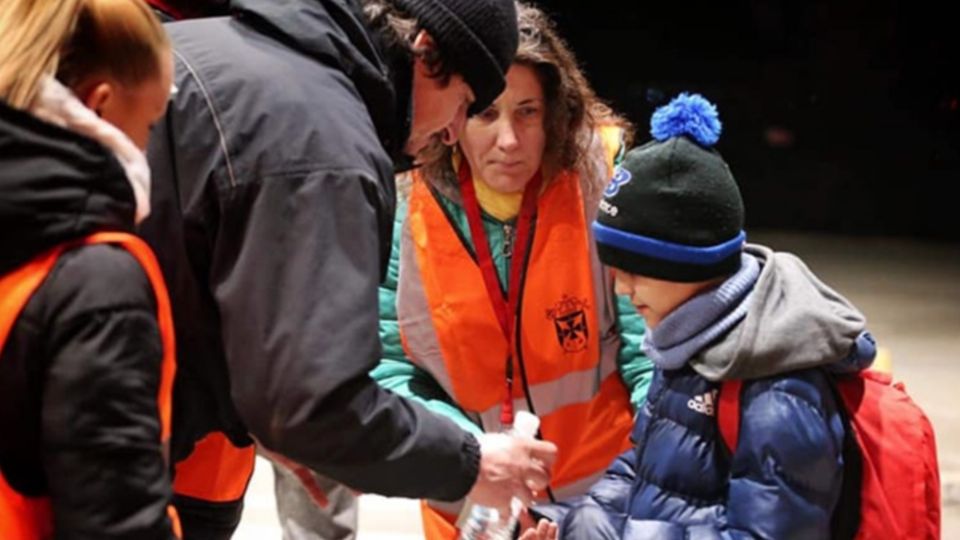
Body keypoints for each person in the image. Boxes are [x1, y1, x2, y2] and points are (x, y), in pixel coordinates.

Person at [140, 0, 557, 537]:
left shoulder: (219, 50)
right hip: (86, 452)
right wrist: (476, 463)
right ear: (425, 52)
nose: (454, 132)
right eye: (465, 103)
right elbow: (313, 402)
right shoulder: (323, 140)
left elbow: (197, 280)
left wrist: (259, 415)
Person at [371, 4, 654, 538]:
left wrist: (630, 490)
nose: (509, 140)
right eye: (486, 114)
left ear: (556, 112)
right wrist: (474, 457)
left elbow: (652, 350)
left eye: (527, 112)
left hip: (607, 497)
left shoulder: (606, 186)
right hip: (472, 504)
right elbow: (388, 368)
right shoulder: (404, 209)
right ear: (453, 116)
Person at [555, 93, 877, 539]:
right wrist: (562, 523)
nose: (621, 289)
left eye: (636, 272)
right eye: (613, 269)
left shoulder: (777, 387)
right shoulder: (686, 343)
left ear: (690, 264)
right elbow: (645, 476)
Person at [0, 0, 179, 538]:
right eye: (149, 124)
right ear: (98, 107)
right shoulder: (96, 281)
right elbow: (116, 519)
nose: (149, 149)